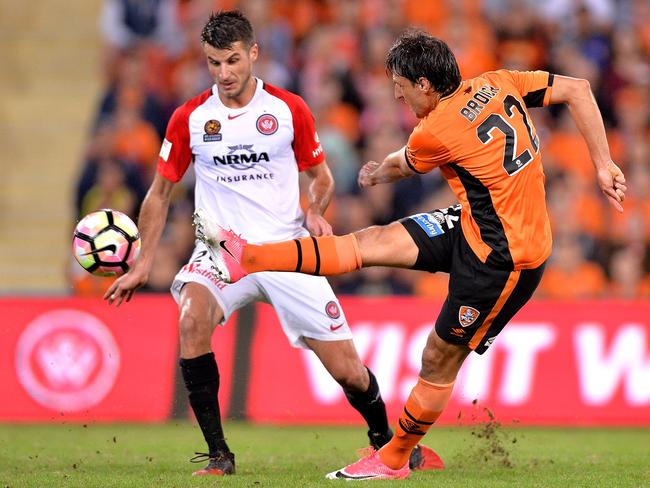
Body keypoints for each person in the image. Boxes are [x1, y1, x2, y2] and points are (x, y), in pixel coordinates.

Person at [194, 29, 627, 480]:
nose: (397, 96)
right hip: (476, 223)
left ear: (424, 84)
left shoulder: (436, 129)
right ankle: (251, 259)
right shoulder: (498, 81)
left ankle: (395, 457)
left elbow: (406, 161)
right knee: (374, 241)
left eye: (400, 87)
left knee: (438, 357)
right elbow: (578, 89)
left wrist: (379, 173)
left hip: (506, 259)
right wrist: (603, 163)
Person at [104, 11, 441, 477]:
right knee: (191, 320)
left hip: (288, 250)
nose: (224, 73)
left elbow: (320, 177)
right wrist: (141, 263)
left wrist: (316, 210)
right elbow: (159, 194)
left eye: (233, 61)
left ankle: (388, 443)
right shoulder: (191, 118)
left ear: (254, 54)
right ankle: (219, 456)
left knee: (348, 371)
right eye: (213, 63)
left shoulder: (287, 109)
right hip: (220, 251)